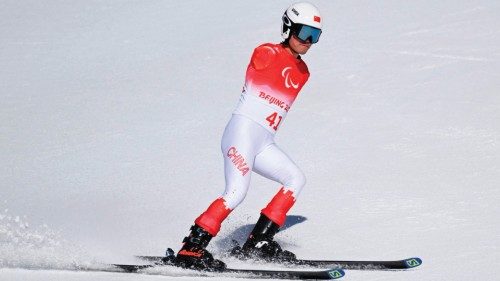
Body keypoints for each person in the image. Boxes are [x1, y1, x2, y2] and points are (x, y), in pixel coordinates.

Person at [175, 2, 323, 270]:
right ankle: (192, 248)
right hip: (241, 134)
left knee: (295, 179)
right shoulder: (266, 52)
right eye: (304, 33)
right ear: (288, 28)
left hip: (264, 141)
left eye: (315, 36)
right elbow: (262, 61)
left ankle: (258, 243)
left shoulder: (304, 72)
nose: (308, 42)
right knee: (236, 191)